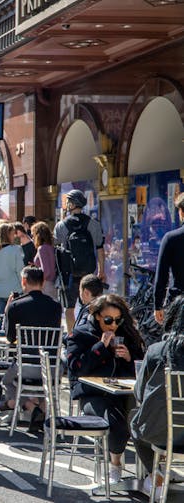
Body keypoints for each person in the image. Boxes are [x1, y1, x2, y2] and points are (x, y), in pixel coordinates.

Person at [66, 294, 145, 484]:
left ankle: (151, 473)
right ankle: (115, 465)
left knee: (145, 421)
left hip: (122, 393)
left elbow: (141, 368)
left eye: (118, 320)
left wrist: (128, 358)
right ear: (97, 315)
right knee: (117, 426)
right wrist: (101, 346)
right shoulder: (81, 335)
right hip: (93, 394)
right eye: (109, 320)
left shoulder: (126, 334)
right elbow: (76, 368)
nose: (113, 325)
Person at [131, 296, 184, 496]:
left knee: (135, 420)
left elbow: (139, 394)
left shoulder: (156, 351)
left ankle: (156, 477)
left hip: (163, 434)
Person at [0, 267, 62, 431]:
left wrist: (7, 311)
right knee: (44, 385)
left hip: (26, 366)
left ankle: (30, 407)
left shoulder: (16, 306)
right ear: (42, 283)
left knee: (6, 381)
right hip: (51, 366)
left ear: (24, 281)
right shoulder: (55, 306)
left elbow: (10, 338)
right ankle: (41, 409)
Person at [54, 189, 105, 332]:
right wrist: (101, 270)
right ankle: (90, 332)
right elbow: (100, 248)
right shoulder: (93, 224)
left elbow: (58, 249)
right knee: (91, 306)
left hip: (69, 274)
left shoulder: (61, 226)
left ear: (71, 204)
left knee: (69, 309)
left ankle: (71, 337)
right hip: (88, 274)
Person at [153, 192, 184, 324]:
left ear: (181, 213)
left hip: (178, 302)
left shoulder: (171, 239)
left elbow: (162, 275)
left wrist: (158, 305)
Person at [31, 222, 58, 300]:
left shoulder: (42, 248)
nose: (32, 238)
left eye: (33, 235)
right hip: (52, 283)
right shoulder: (50, 247)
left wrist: (38, 282)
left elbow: (46, 271)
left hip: (45, 285)